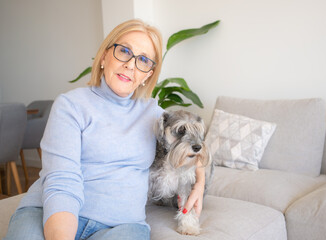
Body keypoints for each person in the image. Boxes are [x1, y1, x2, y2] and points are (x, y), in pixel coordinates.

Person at [5, 19, 206, 240]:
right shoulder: (70, 105)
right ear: (104, 56)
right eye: (124, 51)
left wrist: (199, 184)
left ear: (148, 74)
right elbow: (62, 181)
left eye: (143, 60)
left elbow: (191, 145)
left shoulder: (156, 116)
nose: (131, 64)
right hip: (47, 212)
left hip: (123, 226)